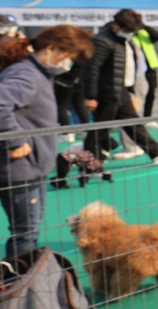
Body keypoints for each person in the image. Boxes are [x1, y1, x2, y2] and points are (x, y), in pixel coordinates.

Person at [0, 25, 93, 258]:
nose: (68, 64)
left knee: (28, 231)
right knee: (25, 233)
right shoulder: (27, 74)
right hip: (20, 169)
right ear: (52, 48)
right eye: (69, 57)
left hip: (32, 167)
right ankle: (18, 287)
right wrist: (15, 142)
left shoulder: (36, 73)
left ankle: (20, 283)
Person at [82, 9, 158, 171]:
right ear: (115, 26)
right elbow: (91, 70)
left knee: (132, 122)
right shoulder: (102, 41)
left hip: (120, 88)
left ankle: (155, 151)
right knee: (99, 131)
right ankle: (89, 167)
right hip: (106, 92)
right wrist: (91, 96)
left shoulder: (120, 39)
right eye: (129, 31)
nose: (131, 34)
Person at [132, 23, 158, 127]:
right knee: (134, 96)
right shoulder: (127, 35)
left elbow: (157, 36)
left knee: (151, 94)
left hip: (149, 67)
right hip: (134, 69)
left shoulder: (144, 32)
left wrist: (142, 26)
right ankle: (132, 120)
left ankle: (147, 118)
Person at [53, 61, 89, 141]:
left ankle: (67, 134)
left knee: (61, 107)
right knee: (80, 106)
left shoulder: (69, 53)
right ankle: (87, 131)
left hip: (65, 82)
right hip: (79, 81)